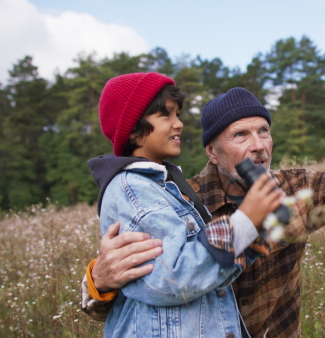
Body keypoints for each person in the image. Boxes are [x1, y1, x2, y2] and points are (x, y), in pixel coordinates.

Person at [82, 60, 325, 337]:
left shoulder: (292, 191)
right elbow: (143, 291)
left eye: (263, 131)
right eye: (240, 136)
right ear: (212, 152)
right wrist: (98, 282)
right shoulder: (183, 200)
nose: (258, 147)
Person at [88, 72, 284, 337]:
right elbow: (171, 278)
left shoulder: (169, 187)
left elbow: (210, 272)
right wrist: (245, 222)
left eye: (177, 114)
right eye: (166, 115)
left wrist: (251, 230)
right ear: (134, 128)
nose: (179, 124)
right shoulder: (132, 189)